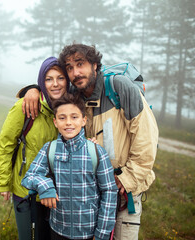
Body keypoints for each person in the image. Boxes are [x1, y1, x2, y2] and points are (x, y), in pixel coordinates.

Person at [20, 43, 159, 240]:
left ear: (95, 65)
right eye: (69, 67)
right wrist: (33, 90)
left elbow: (147, 139)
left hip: (123, 192)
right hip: (90, 196)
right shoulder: (75, 97)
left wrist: (127, 179)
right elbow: (52, 90)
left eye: (80, 64)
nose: (75, 72)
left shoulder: (120, 88)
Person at [21, 93, 118, 240]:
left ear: (84, 120)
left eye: (74, 117)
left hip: (89, 232)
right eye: (62, 118)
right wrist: (45, 187)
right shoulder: (50, 149)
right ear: (55, 122)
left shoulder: (97, 152)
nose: (68, 122)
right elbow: (29, 177)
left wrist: (102, 233)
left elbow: (109, 192)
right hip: (58, 229)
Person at [0, 56, 69, 240]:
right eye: (48, 79)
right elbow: (6, 145)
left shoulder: (69, 109)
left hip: (58, 194)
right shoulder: (25, 106)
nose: (55, 84)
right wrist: (4, 182)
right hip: (27, 193)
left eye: (60, 78)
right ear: (41, 81)